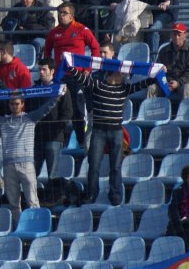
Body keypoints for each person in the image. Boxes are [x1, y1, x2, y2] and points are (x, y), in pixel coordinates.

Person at [64, 57, 157, 205]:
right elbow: (81, 78)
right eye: (122, 74)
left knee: (116, 166)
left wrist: (157, 75)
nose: (124, 77)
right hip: (99, 132)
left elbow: (142, 84)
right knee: (94, 164)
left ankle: (115, 195)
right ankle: (91, 195)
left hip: (116, 132)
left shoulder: (124, 89)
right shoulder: (97, 85)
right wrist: (70, 66)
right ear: (114, 74)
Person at [0, 93, 57, 218]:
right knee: (14, 204)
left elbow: (45, 109)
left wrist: (56, 96)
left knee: (32, 201)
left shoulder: (30, 118)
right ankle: (17, 228)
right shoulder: (4, 121)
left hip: (26, 164)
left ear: (22, 104)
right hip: (8, 166)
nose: (14, 106)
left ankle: (36, 226)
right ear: (9, 105)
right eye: (12, 104)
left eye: (17, 103)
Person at [42, 1, 99, 142]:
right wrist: (50, 69)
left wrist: (87, 69)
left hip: (77, 77)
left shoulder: (82, 29)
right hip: (60, 77)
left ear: (72, 16)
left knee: (78, 111)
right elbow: (47, 50)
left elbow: (95, 48)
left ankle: (81, 141)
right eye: (59, 13)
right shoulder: (54, 32)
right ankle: (60, 140)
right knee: (59, 109)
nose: (61, 16)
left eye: (64, 13)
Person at [30, 57, 73, 187]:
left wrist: (58, 129)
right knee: (31, 175)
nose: (41, 72)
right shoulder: (33, 90)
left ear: (52, 71)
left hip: (54, 138)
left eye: (44, 69)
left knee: (52, 176)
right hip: (37, 138)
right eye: (39, 70)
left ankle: (52, 202)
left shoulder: (61, 89)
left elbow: (67, 112)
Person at [149, 22, 189, 101]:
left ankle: (184, 112)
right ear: (171, 35)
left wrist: (178, 82)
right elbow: (158, 70)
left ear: (185, 35)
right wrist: (166, 82)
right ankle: (150, 112)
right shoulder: (163, 51)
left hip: (187, 82)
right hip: (167, 82)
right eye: (174, 34)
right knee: (152, 88)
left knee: (186, 88)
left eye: (179, 34)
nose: (176, 37)